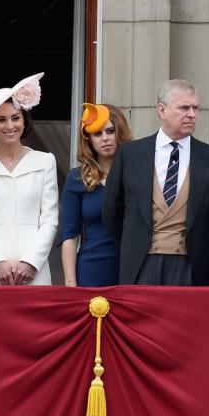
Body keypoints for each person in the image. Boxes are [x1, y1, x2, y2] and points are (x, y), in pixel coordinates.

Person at [103, 79, 209, 286]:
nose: (192, 114)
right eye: (184, 107)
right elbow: (112, 211)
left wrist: (200, 247)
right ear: (162, 110)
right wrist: (134, 245)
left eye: (195, 108)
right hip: (141, 265)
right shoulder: (130, 154)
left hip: (193, 267)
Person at [0, 73, 59, 285]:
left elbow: (50, 220)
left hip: (34, 270)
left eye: (15, 118)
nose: (10, 126)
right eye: (1, 119)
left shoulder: (44, 161)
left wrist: (31, 262)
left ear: (24, 121)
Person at [59, 103, 132, 287]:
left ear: (120, 132)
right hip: (91, 269)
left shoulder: (137, 173)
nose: (105, 138)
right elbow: (69, 235)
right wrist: (70, 282)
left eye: (110, 131)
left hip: (132, 270)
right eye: (98, 134)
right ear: (89, 139)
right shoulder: (77, 177)